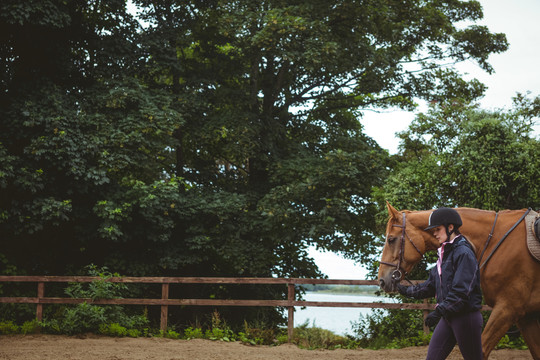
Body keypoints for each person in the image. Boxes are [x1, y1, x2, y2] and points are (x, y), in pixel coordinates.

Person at [397, 207, 483, 360]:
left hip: (465, 318)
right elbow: (431, 285)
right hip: (449, 317)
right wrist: (404, 290)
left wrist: (438, 312)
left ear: (450, 227)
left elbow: (461, 292)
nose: (434, 233)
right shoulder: (445, 253)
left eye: (437, 229)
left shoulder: (463, 253)